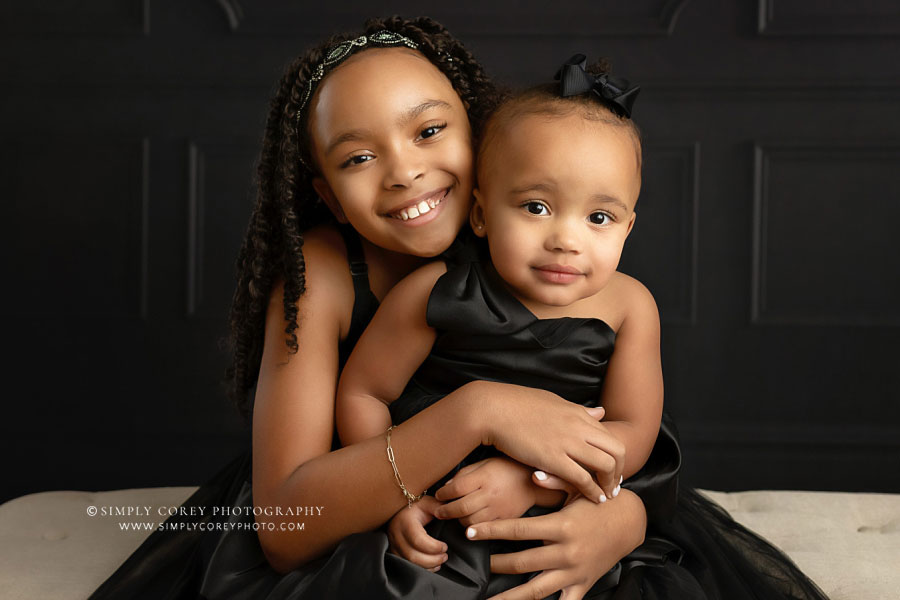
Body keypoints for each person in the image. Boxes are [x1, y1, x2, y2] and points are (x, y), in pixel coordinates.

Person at [88, 18, 680, 600]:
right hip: (369, 516)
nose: (405, 173)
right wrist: (480, 410)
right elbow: (285, 531)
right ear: (330, 197)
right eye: (358, 159)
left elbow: (627, 428)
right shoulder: (322, 275)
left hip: (541, 501)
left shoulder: (544, 234)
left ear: (477, 133)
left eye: (428, 131)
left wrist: (619, 521)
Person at [336, 60, 830, 600]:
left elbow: (634, 431)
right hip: (438, 510)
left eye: (599, 218)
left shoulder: (630, 306)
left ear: (628, 226)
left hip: (567, 506)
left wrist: (532, 481)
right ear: (480, 214)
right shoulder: (436, 293)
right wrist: (399, 500)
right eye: (537, 207)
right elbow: (364, 390)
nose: (566, 240)